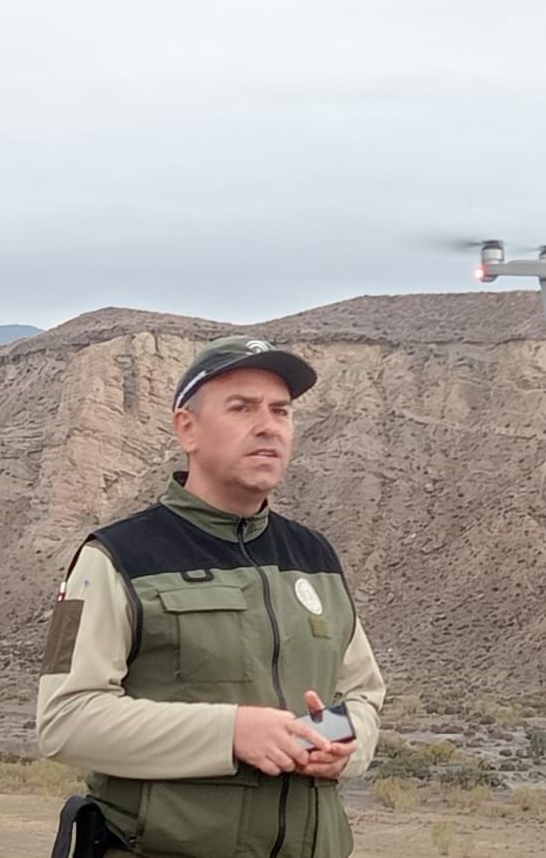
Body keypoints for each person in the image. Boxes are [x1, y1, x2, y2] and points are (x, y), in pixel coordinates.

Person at [37, 335, 386, 858]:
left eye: (280, 411)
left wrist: (336, 742)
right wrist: (231, 732)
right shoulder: (115, 557)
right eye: (242, 408)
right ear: (188, 428)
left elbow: (363, 695)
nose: (268, 426)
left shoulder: (315, 557)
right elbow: (65, 720)